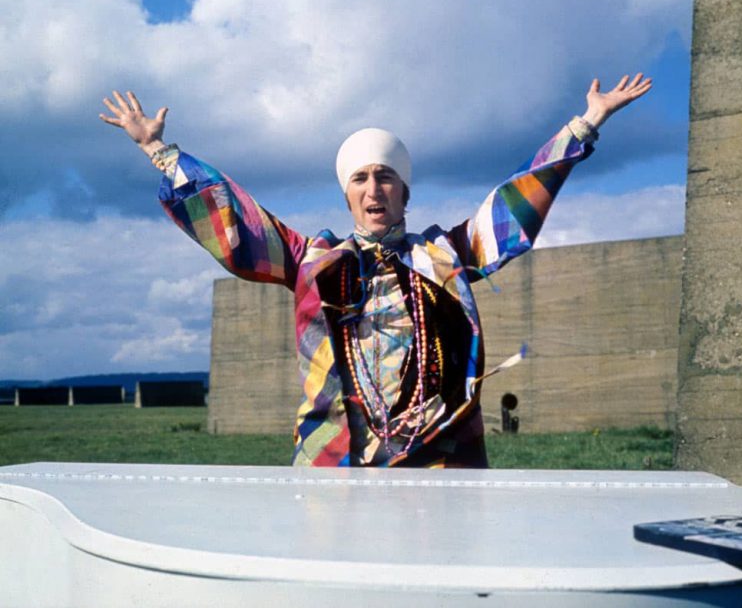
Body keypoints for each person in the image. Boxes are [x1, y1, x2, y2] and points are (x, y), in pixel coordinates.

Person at [100, 74, 651, 467]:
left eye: (385, 176)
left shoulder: (445, 255)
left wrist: (583, 125)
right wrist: (161, 151)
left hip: (439, 453)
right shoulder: (311, 259)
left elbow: (513, 205)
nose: (373, 188)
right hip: (337, 457)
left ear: (404, 190)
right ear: (347, 194)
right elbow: (237, 225)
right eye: (360, 178)